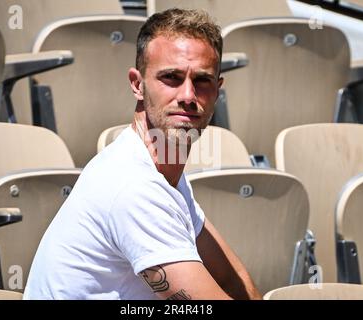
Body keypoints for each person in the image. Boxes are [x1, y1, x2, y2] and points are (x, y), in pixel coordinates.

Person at [23, 8, 260, 300]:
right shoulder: (133, 185)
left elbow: (233, 280)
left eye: (202, 81)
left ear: (217, 89)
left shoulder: (165, 175)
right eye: (171, 77)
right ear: (137, 84)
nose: (188, 96)